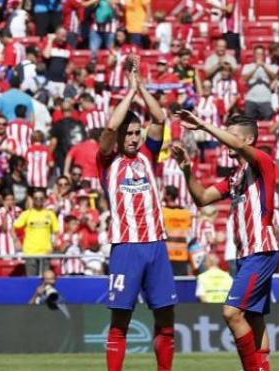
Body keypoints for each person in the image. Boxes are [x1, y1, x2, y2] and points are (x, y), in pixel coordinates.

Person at [172, 112, 279, 371]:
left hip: (261, 249)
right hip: (246, 255)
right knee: (254, 318)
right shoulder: (235, 177)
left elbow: (239, 146)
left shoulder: (262, 163)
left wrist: (203, 125)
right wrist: (187, 170)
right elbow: (202, 198)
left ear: (250, 138)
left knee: (231, 312)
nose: (228, 142)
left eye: (233, 135)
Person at [97, 57, 177, 371]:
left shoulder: (148, 155)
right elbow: (110, 128)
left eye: (136, 133)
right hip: (126, 247)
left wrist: (140, 86)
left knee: (166, 318)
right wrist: (128, 93)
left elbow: (159, 118)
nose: (133, 138)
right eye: (129, 134)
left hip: (156, 246)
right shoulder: (107, 162)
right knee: (120, 319)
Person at [13, 188, 59, 276]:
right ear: (33, 199)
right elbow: (14, 227)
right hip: (30, 252)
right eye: (36, 198)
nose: (38, 200)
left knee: (45, 280)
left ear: (45, 199)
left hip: (46, 252)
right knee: (31, 280)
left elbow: (56, 231)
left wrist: (53, 244)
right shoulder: (27, 213)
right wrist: (16, 241)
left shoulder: (50, 214)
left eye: (41, 198)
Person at [241, 45, 278, 120]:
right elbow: (244, 79)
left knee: (267, 120)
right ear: (254, 55)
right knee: (249, 123)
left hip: (266, 99)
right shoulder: (247, 66)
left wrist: (264, 66)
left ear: (264, 55)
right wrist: (255, 67)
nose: (259, 56)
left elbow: (274, 77)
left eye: (261, 54)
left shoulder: (271, 66)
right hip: (251, 99)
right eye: (257, 54)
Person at [162, 185, 192, 276]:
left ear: (168, 196)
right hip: (182, 255)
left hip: (167, 255)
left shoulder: (162, 212)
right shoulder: (186, 213)